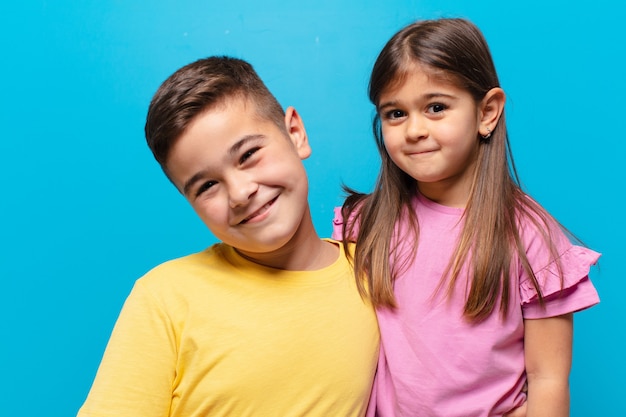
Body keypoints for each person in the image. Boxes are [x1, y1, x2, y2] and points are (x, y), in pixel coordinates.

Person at [77, 56, 380, 417]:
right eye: (207, 186)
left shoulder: (376, 272)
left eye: (249, 154)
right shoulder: (165, 299)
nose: (239, 192)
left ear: (295, 134)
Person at [332, 18, 600, 417]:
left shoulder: (531, 237)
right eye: (395, 114)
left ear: (487, 112)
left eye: (436, 107)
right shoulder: (365, 223)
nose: (414, 130)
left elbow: (548, 380)